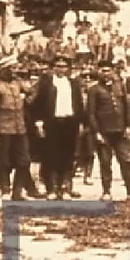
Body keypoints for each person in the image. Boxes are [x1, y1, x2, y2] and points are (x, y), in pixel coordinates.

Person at [32, 55, 84, 200]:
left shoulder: (73, 84)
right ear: (53, 68)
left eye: (64, 66)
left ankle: (65, 187)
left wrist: (79, 123)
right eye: (58, 66)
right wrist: (39, 123)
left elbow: (78, 105)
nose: (61, 69)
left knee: (68, 156)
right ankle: (52, 188)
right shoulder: (46, 84)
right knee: (51, 156)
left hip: (69, 123)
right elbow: (38, 104)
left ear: (68, 68)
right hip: (52, 123)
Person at [87, 60, 130, 200]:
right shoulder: (93, 90)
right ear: (98, 72)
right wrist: (96, 132)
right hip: (104, 132)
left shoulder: (120, 87)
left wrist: (128, 126)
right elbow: (91, 113)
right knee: (105, 162)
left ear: (113, 72)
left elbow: (127, 107)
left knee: (126, 161)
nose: (106, 74)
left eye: (108, 70)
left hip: (120, 131)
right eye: (103, 71)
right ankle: (106, 191)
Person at [0, 55, 32, 201]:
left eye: (14, 68)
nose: (14, 71)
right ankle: (5, 189)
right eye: (10, 69)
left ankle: (17, 191)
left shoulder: (17, 85)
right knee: (4, 161)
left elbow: (30, 91)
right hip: (4, 129)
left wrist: (20, 79)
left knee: (24, 160)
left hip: (20, 129)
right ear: (3, 70)